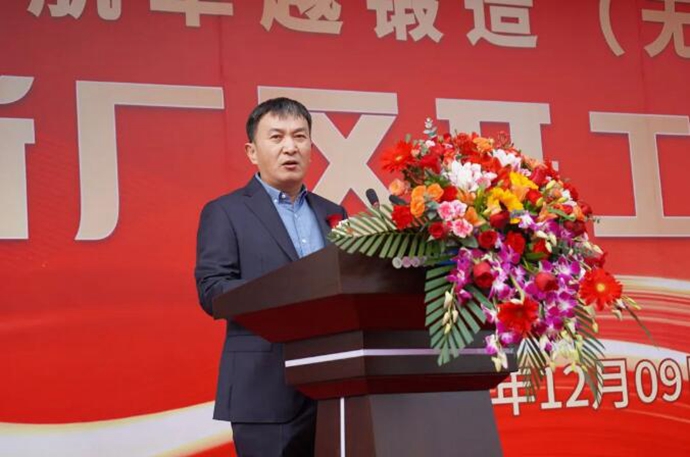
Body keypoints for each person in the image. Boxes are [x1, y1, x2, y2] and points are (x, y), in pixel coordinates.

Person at [194, 98, 347, 457]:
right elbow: (212, 290)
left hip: (334, 386)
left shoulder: (333, 213)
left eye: (300, 136)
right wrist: (289, 291)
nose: (290, 147)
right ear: (252, 151)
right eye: (276, 137)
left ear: (311, 148)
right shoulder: (225, 212)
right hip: (264, 389)